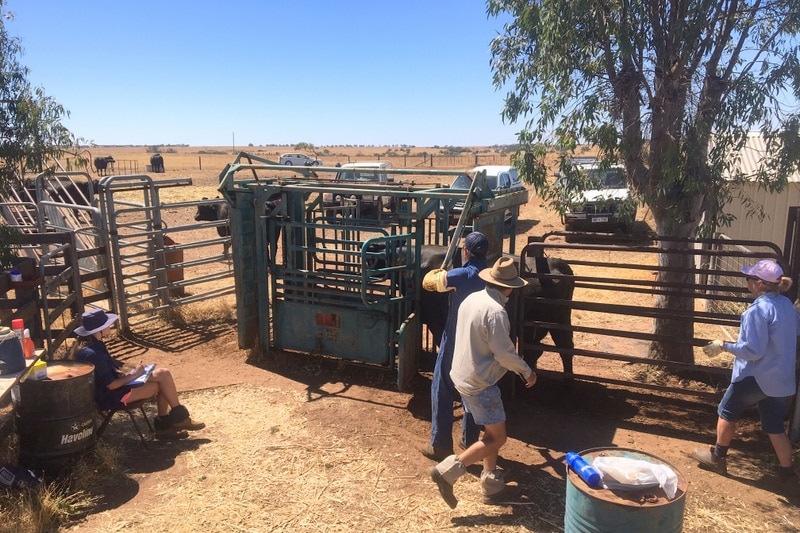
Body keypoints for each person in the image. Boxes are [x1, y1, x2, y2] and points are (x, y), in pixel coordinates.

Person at [430, 257, 537, 508]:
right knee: (498, 437)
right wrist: (527, 371)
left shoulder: (472, 299)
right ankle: (448, 471)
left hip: (463, 374)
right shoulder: (497, 312)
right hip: (481, 383)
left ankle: (491, 482)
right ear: (510, 287)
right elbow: (504, 353)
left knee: (489, 431)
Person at [692, 259, 800, 482]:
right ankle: (787, 471)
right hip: (781, 378)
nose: (747, 282)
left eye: (749, 278)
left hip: (756, 376)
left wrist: (723, 345)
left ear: (759, 284)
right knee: (775, 426)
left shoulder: (757, 311)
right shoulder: (787, 307)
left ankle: (717, 458)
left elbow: (753, 351)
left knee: (726, 412)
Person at [70, 308, 205, 440]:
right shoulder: (93, 353)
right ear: (98, 330)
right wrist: (134, 375)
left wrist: (128, 371)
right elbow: (111, 385)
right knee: (162, 383)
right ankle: (173, 422)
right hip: (111, 397)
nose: (110, 326)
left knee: (163, 374)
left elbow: (107, 374)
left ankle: (170, 424)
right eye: (107, 324)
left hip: (113, 391)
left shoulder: (92, 347)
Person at [420, 232, 489, 461]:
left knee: (442, 385)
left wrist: (441, 273)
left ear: (466, 251)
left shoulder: (462, 275)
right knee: (472, 388)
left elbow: (428, 283)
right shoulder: (492, 275)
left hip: (457, 337)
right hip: (481, 341)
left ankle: (439, 444)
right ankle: (469, 441)